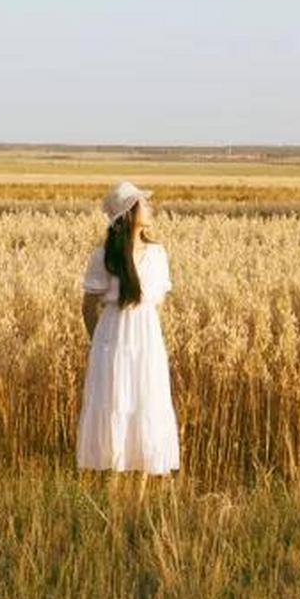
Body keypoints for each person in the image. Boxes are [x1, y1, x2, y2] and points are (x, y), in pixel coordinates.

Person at [75, 181, 181, 476]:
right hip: (113, 337)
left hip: (146, 336)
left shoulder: (157, 254)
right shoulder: (104, 256)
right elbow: (88, 306)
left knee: (147, 399)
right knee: (115, 401)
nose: (150, 208)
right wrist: (99, 344)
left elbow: (157, 304)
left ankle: (141, 493)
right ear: (129, 213)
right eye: (143, 204)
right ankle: (114, 484)